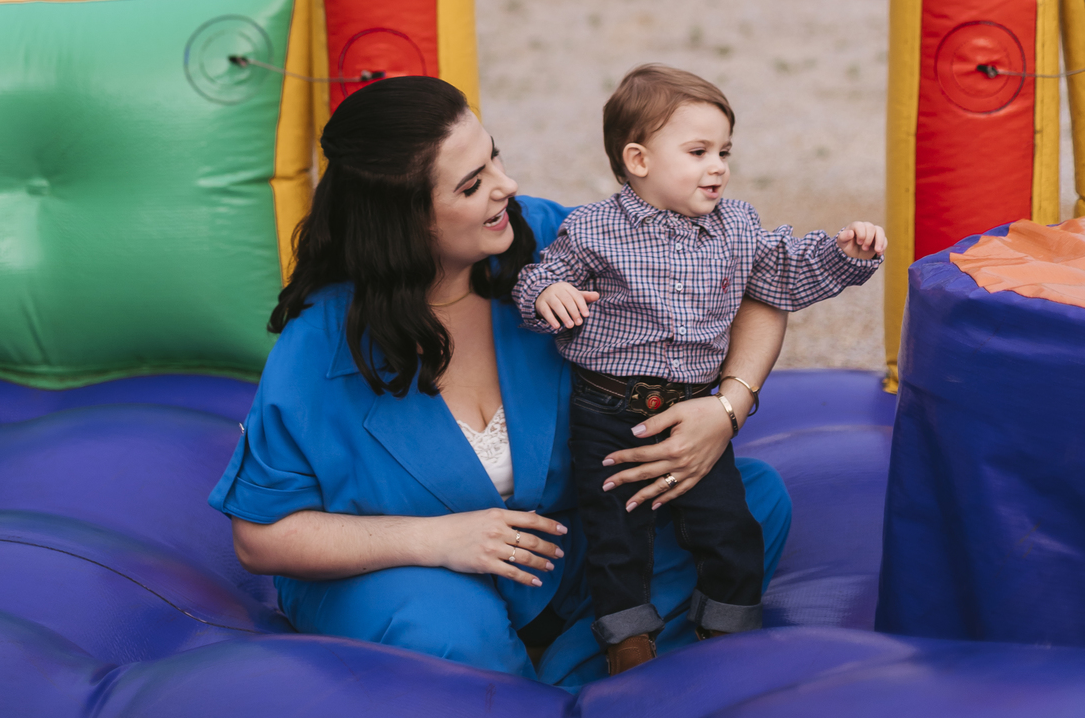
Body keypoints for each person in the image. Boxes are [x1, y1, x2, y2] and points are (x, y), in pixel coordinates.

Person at [209, 75, 795, 685]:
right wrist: (437, 541)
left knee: (751, 501)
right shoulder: (321, 340)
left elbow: (759, 281)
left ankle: (574, 676)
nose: (505, 186)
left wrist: (728, 405)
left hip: (568, 554)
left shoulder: (555, 241)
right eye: (472, 184)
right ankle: (548, 679)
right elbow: (261, 537)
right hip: (413, 574)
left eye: (495, 157)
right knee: (445, 628)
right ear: (402, 218)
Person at [513, 63, 886, 674]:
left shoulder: (736, 227)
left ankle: (727, 629)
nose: (718, 167)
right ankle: (627, 641)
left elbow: (784, 274)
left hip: (693, 404)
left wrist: (844, 255)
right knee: (617, 533)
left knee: (728, 523)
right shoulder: (593, 230)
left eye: (724, 152)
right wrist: (548, 295)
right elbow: (537, 279)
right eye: (698, 152)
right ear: (638, 160)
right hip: (608, 407)